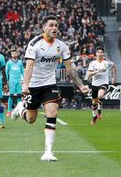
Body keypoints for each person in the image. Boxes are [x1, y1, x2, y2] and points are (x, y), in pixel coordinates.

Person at [11, 15, 89, 161]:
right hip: (33, 86)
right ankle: (20, 109)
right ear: (44, 28)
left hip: (49, 84)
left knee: (52, 113)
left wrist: (81, 85)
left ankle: (48, 152)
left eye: (56, 25)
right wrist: (25, 85)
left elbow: (69, 68)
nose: (54, 28)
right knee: (31, 119)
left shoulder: (62, 46)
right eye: (51, 25)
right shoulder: (34, 44)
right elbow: (29, 66)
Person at [87, 46, 116, 125]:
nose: (100, 54)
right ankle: (94, 117)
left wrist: (113, 78)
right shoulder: (93, 63)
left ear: (103, 54)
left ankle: (99, 109)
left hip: (104, 83)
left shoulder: (106, 62)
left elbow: (114, 66)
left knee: (100, 96)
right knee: (94, 103)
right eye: (98, 52)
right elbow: (89, 74)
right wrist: (96, 71)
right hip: (94, 84)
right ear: (96, 54)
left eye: (101, 52)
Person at [5, 48, 24, 116]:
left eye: (15, 53)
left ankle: (19, 111)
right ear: (11, 54)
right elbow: (6, 72)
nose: (14, 54)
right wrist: (6, 81)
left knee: (19, 96)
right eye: (13, 53)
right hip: (11, 82)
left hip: (19, 81)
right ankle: (9, 111)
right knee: (11, 96)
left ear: (17, 54)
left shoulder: (20, 62)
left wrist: (24, 80)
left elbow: (22, 72)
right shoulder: (9, 62)